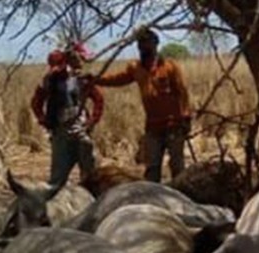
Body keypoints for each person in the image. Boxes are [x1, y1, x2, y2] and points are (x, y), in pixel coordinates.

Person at [95, 28, 191, 182]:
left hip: (174, 124)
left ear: (156, 44)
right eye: (141, 44)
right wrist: (96, 79)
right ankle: (151, 200)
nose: (144, 47)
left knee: (177, 165)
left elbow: (183, 91)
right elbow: (117, 79)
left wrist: (186, 117)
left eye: (147, 43)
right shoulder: (135, 68)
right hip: (153, 127)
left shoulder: (170, 66)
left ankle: (182, 199)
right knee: (152, 167)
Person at [31, 42, 104, 190]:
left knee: (90, 171)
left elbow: (98, 99)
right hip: (60, 131)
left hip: (80, 128)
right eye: (78, 59)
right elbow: (36, 102)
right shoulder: (49, 80)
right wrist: (44, 120)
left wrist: (91, 121)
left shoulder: (81, 79)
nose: (81, 63)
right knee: (57, 177)